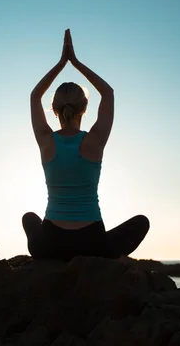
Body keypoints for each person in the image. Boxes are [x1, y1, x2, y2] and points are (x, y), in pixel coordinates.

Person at [23, 29, 149, 261]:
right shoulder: (94, 140)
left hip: (51, 245)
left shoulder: (46, 140)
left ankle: (51, 258)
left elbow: (34, 96)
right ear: (84, 108)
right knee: (142, 222)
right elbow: (108, 93)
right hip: (93, 244)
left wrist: (62, 63)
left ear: (54, 109)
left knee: (29, 218)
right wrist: (76, 63)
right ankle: (102, 259)